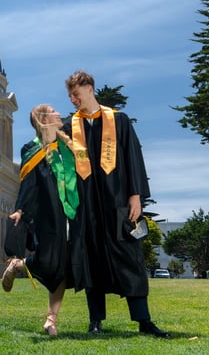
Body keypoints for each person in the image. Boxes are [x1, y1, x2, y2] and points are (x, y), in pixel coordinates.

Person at [63, 70, 171, 338]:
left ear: (89, 88)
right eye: (70, 96)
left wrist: (136, 195)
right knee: (91, 260)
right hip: (86, 207)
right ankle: (95, 321)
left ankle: (144, 320)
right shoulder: (69, 127)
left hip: (118, 204)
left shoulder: (119, 121)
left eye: (75, 94)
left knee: (130, 259)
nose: (73, 100)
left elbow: (133, 157)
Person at [1, 104, 79, 336]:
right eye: (53, 111)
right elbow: (29, 182)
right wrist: (20, 210)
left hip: (73, 210)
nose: (59, 114)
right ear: (43, 119)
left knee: (64, 268)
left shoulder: (69, 145)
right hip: (48, 213)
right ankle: (19, 265)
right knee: (48, 260)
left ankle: (51, 321)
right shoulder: (32, 149)